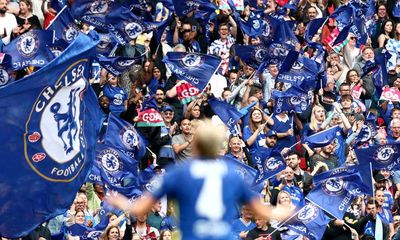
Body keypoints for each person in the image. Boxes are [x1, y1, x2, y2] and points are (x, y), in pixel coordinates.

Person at [107, 121, 289, 240]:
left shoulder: (179, 173)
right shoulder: (231, 173)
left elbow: (140, 208)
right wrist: (285, 212)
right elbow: (261, 210)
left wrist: (119, 200)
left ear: (196, 145)